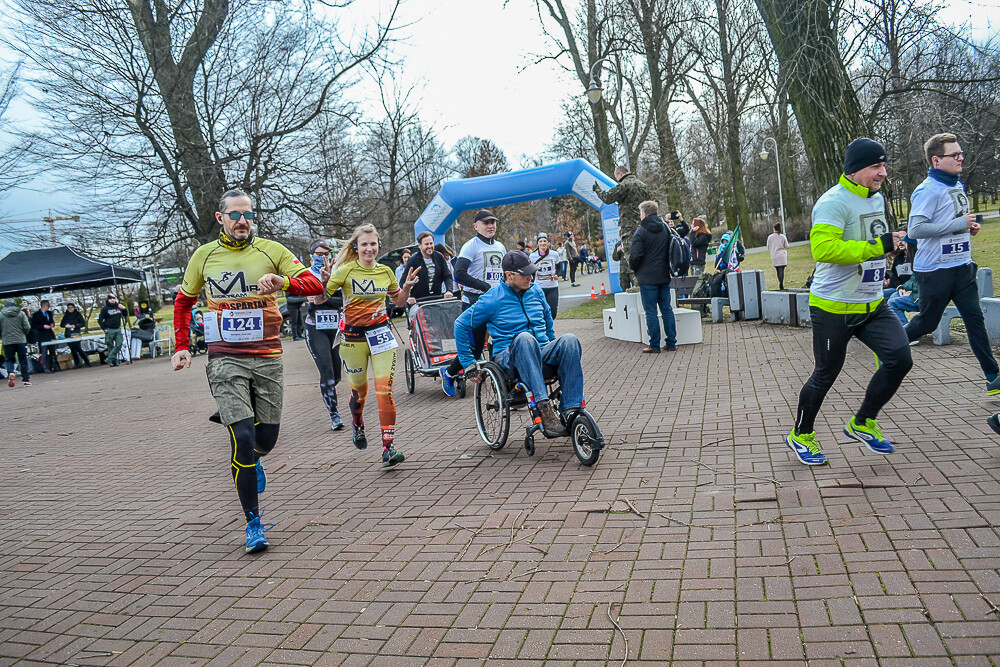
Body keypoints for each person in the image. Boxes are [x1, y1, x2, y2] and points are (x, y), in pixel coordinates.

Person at [170, 188, 325, 553]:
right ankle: (253, 522)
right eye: (236, 214)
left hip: (267, 354)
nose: (243, 221)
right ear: (220, 217)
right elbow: (183, 301)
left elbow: (316, 285)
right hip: (224, 355)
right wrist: (180, 347)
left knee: (264, 442)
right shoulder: (204, 256)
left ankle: (254, 459)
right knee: (241, 436)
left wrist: (283, 282)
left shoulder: (271, 251)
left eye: (249, 215)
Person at [785, 138, 911, 466]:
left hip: (872, 303)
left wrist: (891, 252)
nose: (883, 172)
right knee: (826, 374)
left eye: (884, 165)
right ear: (855, 170)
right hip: (833, 305)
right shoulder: (833, 202)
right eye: (875, 167)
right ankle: (801, 434)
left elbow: (874, 242)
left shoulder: (877, 198)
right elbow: (824, 250)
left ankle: (863, 422)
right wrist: (877, 246)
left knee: (900, 358)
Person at [901, 133, 1000, 394]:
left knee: (974, 318)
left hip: (961, 266)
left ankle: (993, 377)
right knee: (927, 323)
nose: (960, 158)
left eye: (961, 153)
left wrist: (968, 229)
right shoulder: (927, 191)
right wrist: (959, 225)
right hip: (935, 271)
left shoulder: (956, 185)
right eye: (954, 155)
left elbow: (953, 221)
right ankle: (889, 344)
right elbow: (915, 230)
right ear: (936, 160)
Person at [454, 251, 584, 435]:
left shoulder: (536, 290)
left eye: (532, 272)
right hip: (509, 356)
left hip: (540, 350)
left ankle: (571, 408)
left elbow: (547, 321)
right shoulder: (492, 298)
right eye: (525, 274)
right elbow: (460, 325)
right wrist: (468, 363)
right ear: (509, 275)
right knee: (524, 338)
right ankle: (544, 408)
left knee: (570, 340)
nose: (531, 277)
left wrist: (553, 345)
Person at [324, 223, 417, 464]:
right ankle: (358, 423)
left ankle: (388, 447)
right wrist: (322, 284)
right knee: (360, 393)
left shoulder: (385, 271)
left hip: (381, 336)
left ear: (378, 246)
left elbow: (398, 302)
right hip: (352, 340)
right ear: (356, 246)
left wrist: (405, 288)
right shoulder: (344, 270)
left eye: (373, 244)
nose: (369, 249)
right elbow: (319, 298)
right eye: (364, 244)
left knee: (384, 391)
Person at [440, 209, 508, 396]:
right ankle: (448, 373)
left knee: (502, 339)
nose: (490, 226)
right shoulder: (471, 246)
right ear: (476, 226)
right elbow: (459, 273)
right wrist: (484, 286)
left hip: (497, 301)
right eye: (486, 223)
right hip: (474, 301)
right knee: (475, 349)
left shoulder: (501, 247)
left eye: (493, 222)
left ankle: (501, 381)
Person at [303, 240, 345, 431]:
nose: (323, 258)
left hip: (335, 329)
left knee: (336, 375)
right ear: (312, 255)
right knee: (326, 372)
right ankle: (334, 415)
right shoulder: (305, 274)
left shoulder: (338, 272)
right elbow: (293, 298)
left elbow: (342, 300)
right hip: (315, 329)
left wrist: (323, 299)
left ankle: (329, 391)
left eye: (326, 254)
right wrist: (309, 298)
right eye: (319, 254)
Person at [594, 166, 652, 290]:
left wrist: (597, 190)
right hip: (645, 224)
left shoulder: (623, 186)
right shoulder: (643, 186)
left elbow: (607, 198)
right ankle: (648, 279)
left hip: (629, 226)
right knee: (645, 252)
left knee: (631, 253)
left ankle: (638, 282)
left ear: (620, 175)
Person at [629, 201, 676, 353]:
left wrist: (636, 269)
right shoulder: (666, 229)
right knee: (667, 309)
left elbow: (635, 256)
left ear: (643, 214)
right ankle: (671, 342)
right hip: (663, 274)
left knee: (651, 312)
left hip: (647, 277)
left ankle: (654, 344)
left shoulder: (641, 231)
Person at [404, 231, 454, 305]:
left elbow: (447, 276)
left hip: (437, 299)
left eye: (431, 243)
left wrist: (449, 290)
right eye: (426, 244)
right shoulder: (413, 261)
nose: (429, 246)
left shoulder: (439, 257)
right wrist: (408, 297)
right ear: (419, 246)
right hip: (419, 301)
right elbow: (404, 281)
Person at [529, 232, 561, 319]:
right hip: (539, 287)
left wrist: (557, 275)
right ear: (538, 243)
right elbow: (530, 272)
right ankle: (544, 330)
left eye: (544, 241)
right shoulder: (532, 256)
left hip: (552, 287)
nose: (543, 243)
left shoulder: (554, 254)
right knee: (540, 312)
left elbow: (559, 267)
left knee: (553, 313)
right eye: (540, 241)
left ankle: (548, 328)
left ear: (548, 243)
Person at [1, 298, 31, 387]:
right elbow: (27, 326)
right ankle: (26, 380)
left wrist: (2, 336)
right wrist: (23, 334)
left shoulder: (1, 315)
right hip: (20, 340)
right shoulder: (21, 314)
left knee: (9, 359)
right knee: (23, 360)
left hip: (7, 341)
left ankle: (11, 372)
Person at [98, 294, 129, 366]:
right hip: (109, 329)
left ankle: (109, 358)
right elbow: (100, 320)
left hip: (118, 329)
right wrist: (104, 329)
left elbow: (125, 314)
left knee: (119, 344)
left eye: (113, 298)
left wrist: (124, 308)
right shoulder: (105, 309)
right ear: (108, 299)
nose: (112, 300)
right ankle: (114, 362)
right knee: (110, 346)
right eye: (111, 298)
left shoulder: (118, 306)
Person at [60, 302, 91, 368]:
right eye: (69, 308)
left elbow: (83, 323)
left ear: (74, 308)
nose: (70, 309)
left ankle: (87, 361)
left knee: (78, 348)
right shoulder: (66, 315)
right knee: (72, 349)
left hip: (76, 333)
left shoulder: (78, 314)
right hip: (68, 334)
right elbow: (62, 324)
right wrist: (66, 325)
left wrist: (76, 326)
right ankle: (78, 363)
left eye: (71, 307)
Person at [31, 300, 58, 372]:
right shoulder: (36, 315)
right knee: (44, 352)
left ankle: (54, 366)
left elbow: (51, 320)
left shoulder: (49, 313)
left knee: (53, 351)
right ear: (43, 306)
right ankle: (45, 367)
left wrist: (52, 324)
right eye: (47, 306)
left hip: (50, 334)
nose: (48, 307)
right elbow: (33, 325)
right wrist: (43, 326)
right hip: (42, 335)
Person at [766, 222, 789, 290]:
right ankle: (781, 283)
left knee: (778, 270)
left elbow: (768, 246)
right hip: (782, 255)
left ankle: (780, 282)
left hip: (775, 255)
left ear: (774, 229)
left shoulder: (770, 237)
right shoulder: (783, 236)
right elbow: (786, 246)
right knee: (782, 270)